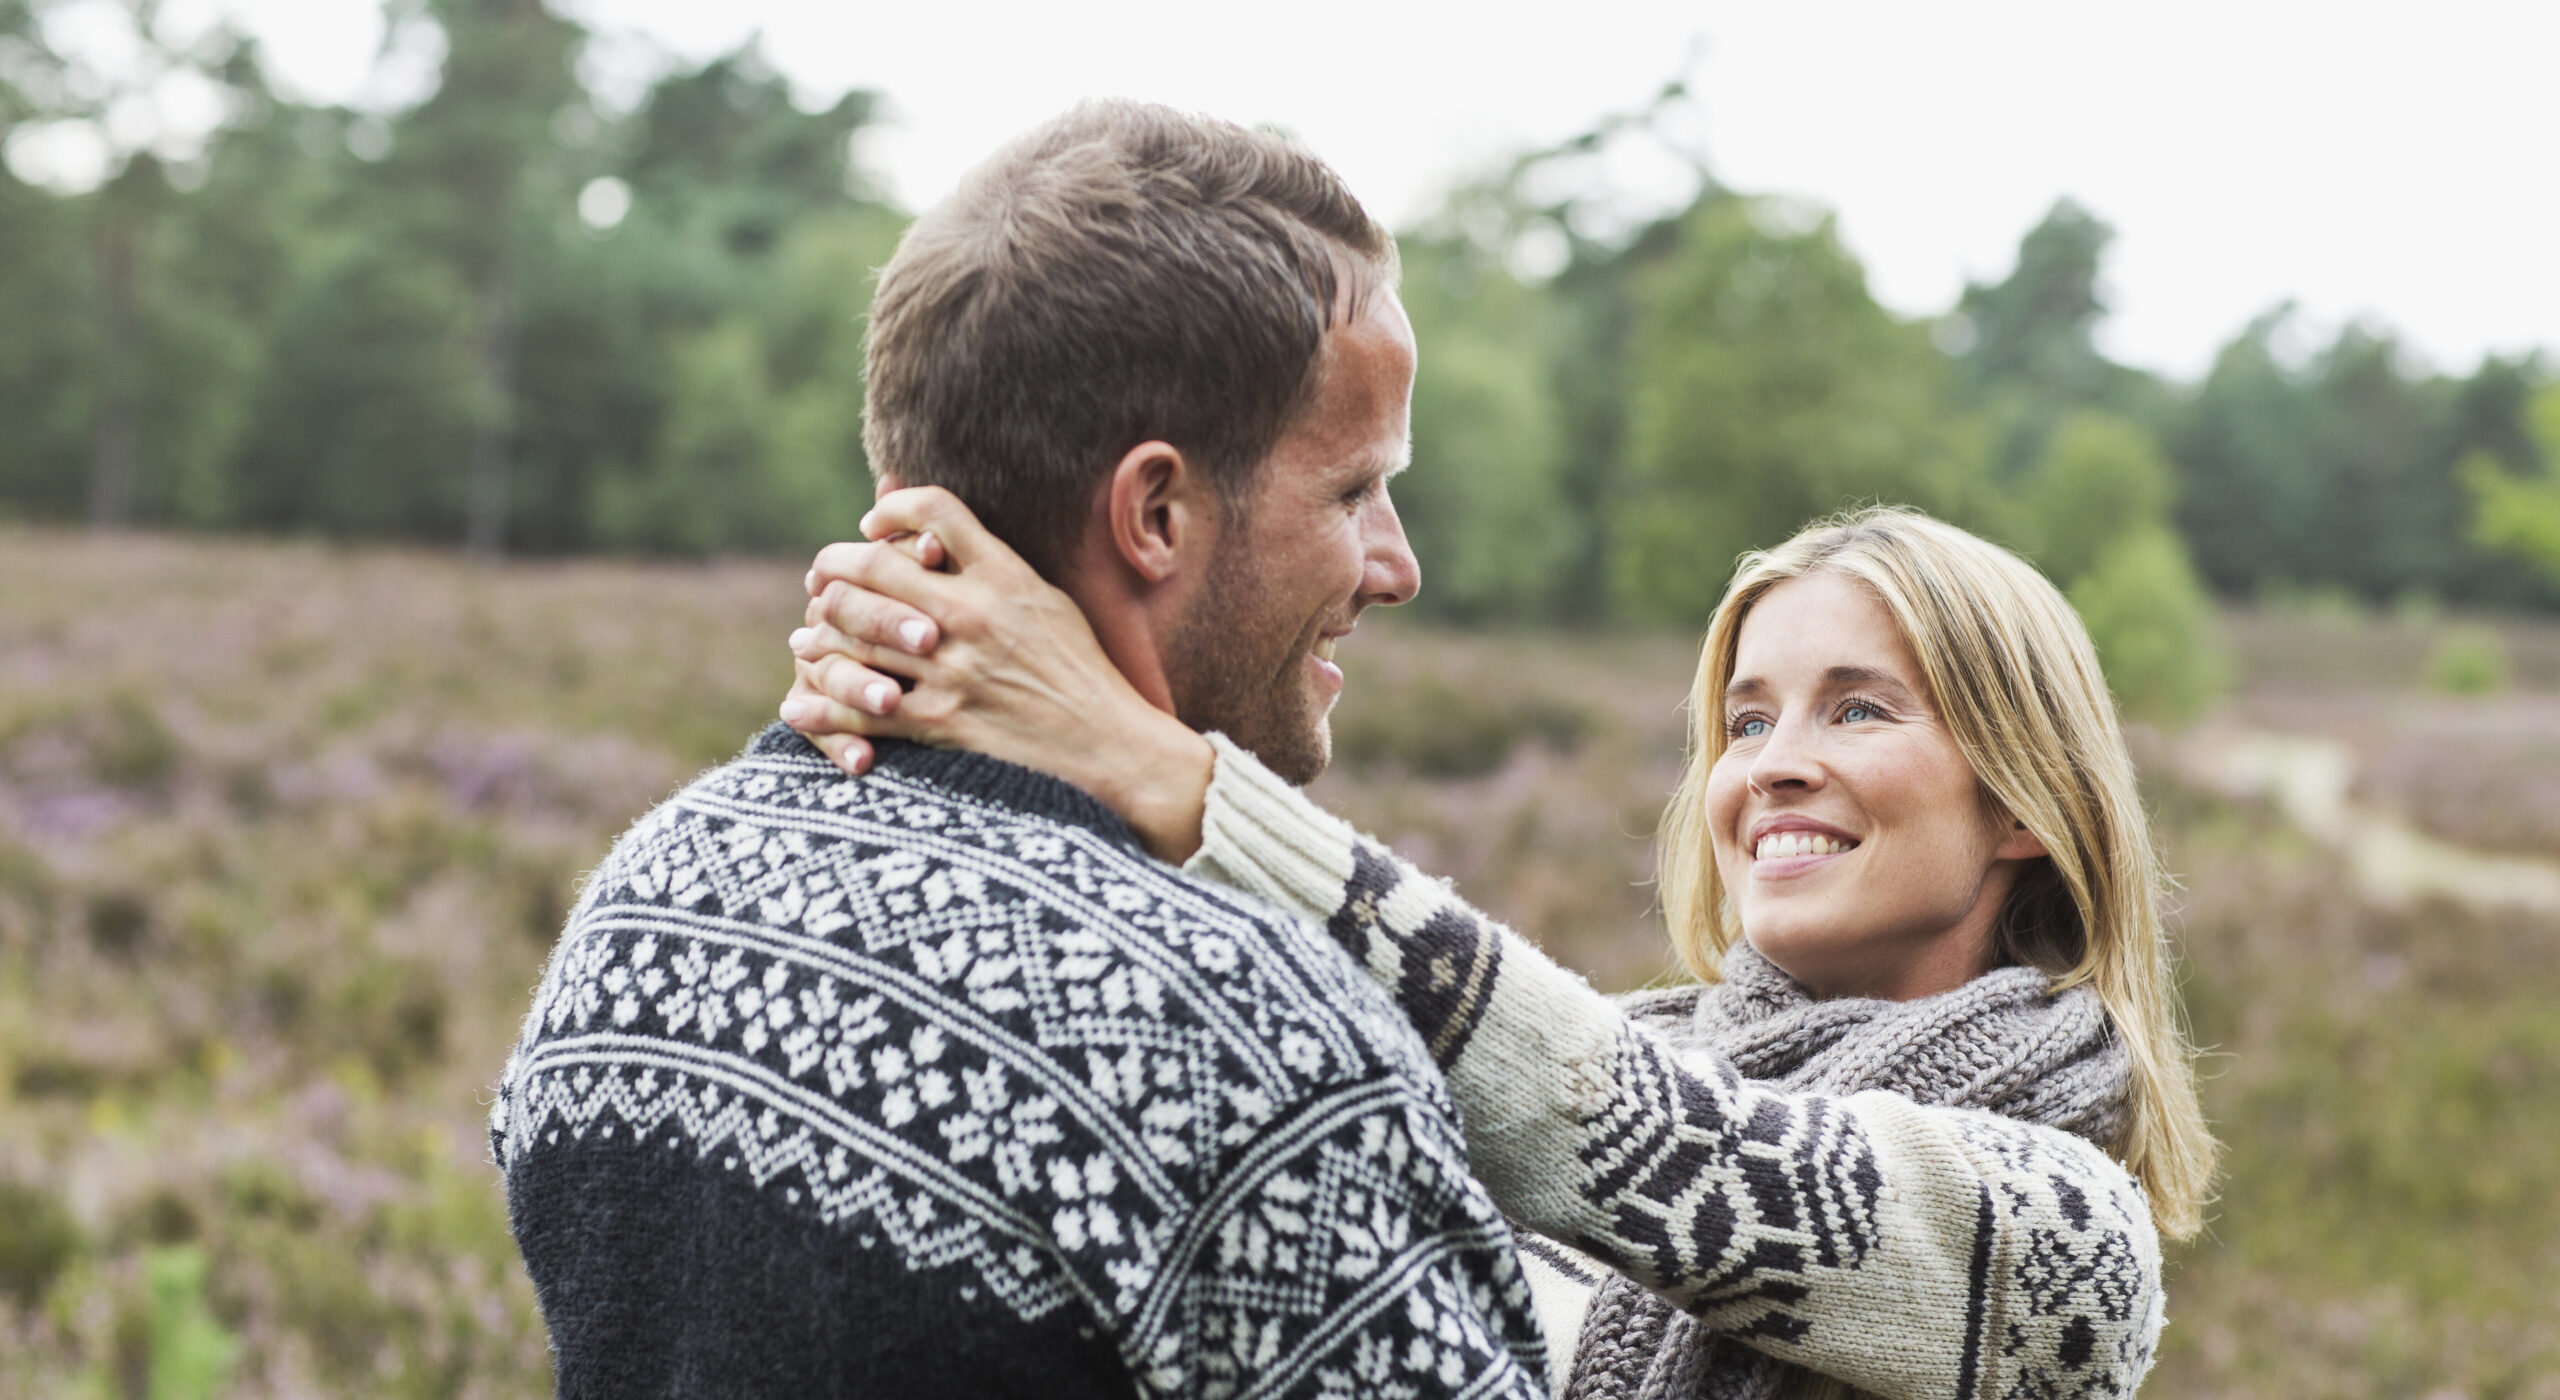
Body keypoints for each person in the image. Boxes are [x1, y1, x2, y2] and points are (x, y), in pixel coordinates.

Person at [489, 100, 1555, 1400]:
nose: (1399, 566)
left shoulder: (638, 913)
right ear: (1155, 511)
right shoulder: (1241, 1050)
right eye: (1352, 491)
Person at [780, 501, 2218, 1399]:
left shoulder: (2068, 1249)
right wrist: (895, 747)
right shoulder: (1583, 1073)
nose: (1772, 766)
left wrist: (1168, 776)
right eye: (1748, 718)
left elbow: (1654, 1144)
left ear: (2026, 801)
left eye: (1858, 710)